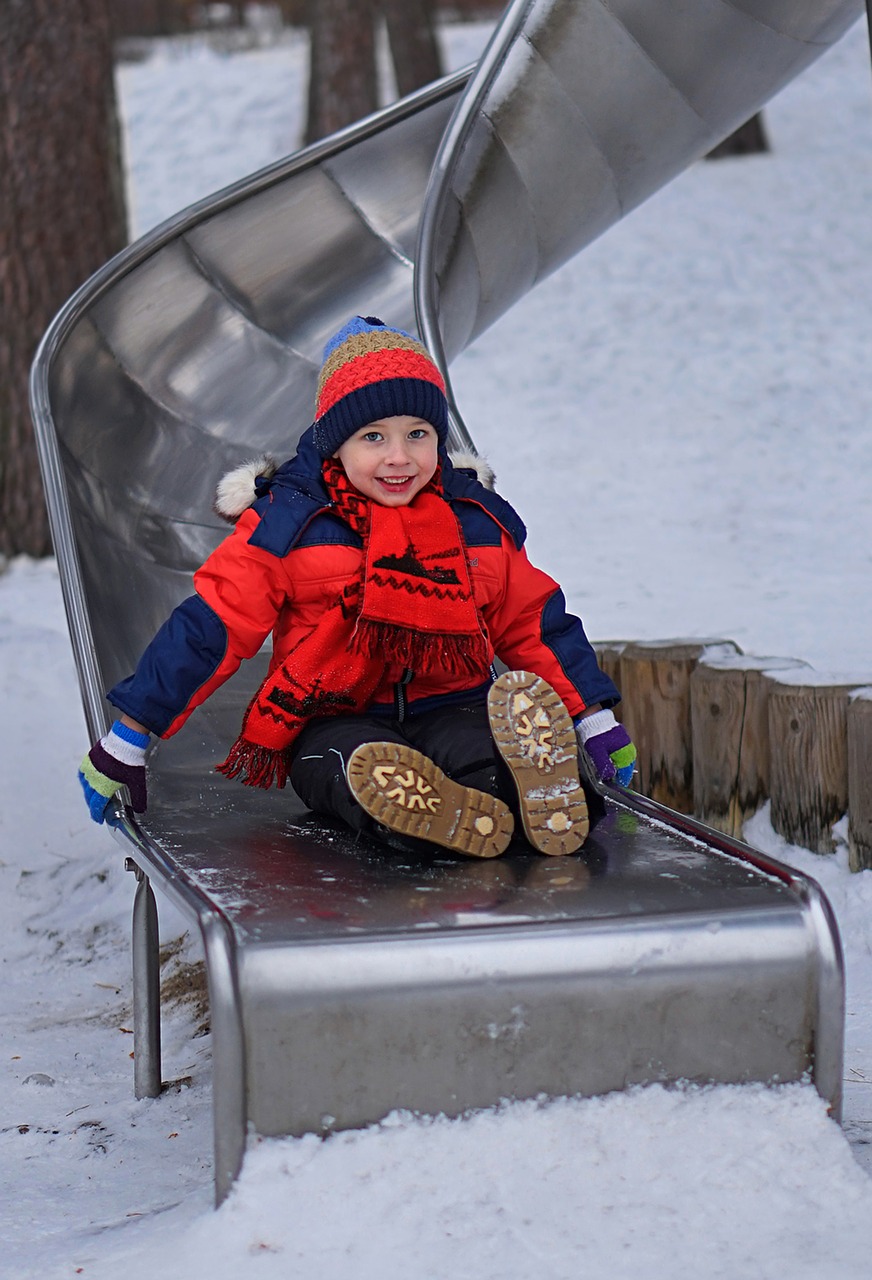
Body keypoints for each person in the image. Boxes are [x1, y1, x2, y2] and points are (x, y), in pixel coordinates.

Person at [79, 316, 635, 859]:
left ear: (438, 442)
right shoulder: (289, 523)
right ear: (335, 446)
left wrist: (593, 719)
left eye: (418, 435)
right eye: (374, 436)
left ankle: (537, 797)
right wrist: (130, 736)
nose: (399, 457)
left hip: (455, 706)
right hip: (332, 719)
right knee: (353, 768)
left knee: (490, 759)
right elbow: (212, 627)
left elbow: (534, 623)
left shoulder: (472, 520)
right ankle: (425, 813)